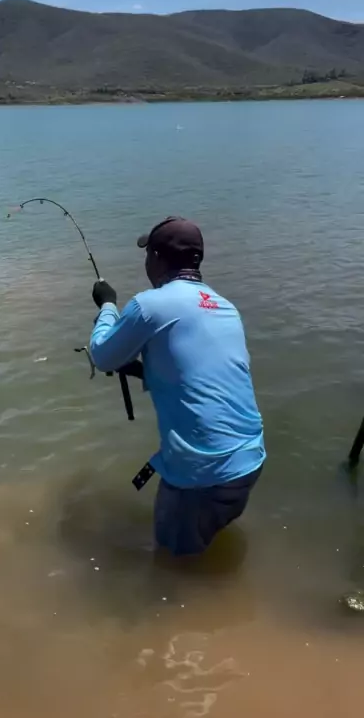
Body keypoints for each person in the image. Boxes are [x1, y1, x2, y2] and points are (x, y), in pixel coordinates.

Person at [89, 217, 265, 557]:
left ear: (156, 258)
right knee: (204, 548)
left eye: (147, 254)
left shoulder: (149, 304)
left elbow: (102, 355)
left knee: (173, 567)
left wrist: (107, 304)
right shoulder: (225, 307)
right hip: (249, 461)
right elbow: (203, 377)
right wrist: (142, 371)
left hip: (202, 472)